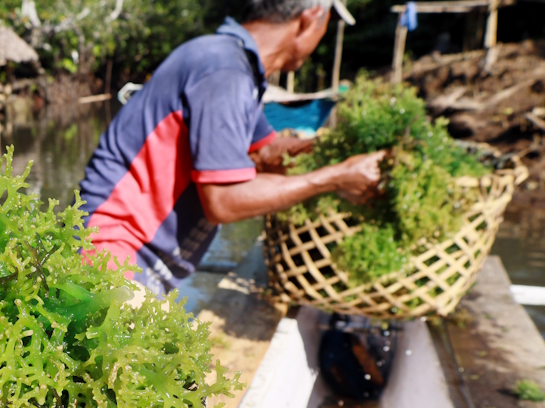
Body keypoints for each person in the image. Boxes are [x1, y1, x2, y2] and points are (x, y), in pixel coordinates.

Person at [78, 0, 385, 295]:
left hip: (137, 257)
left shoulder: (231, 63)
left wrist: (333, 148)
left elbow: (265, 154)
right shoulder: (224, 70)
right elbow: (223, 201)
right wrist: (333, 178)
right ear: (309, 19)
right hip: (115, 250)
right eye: (326, 26)